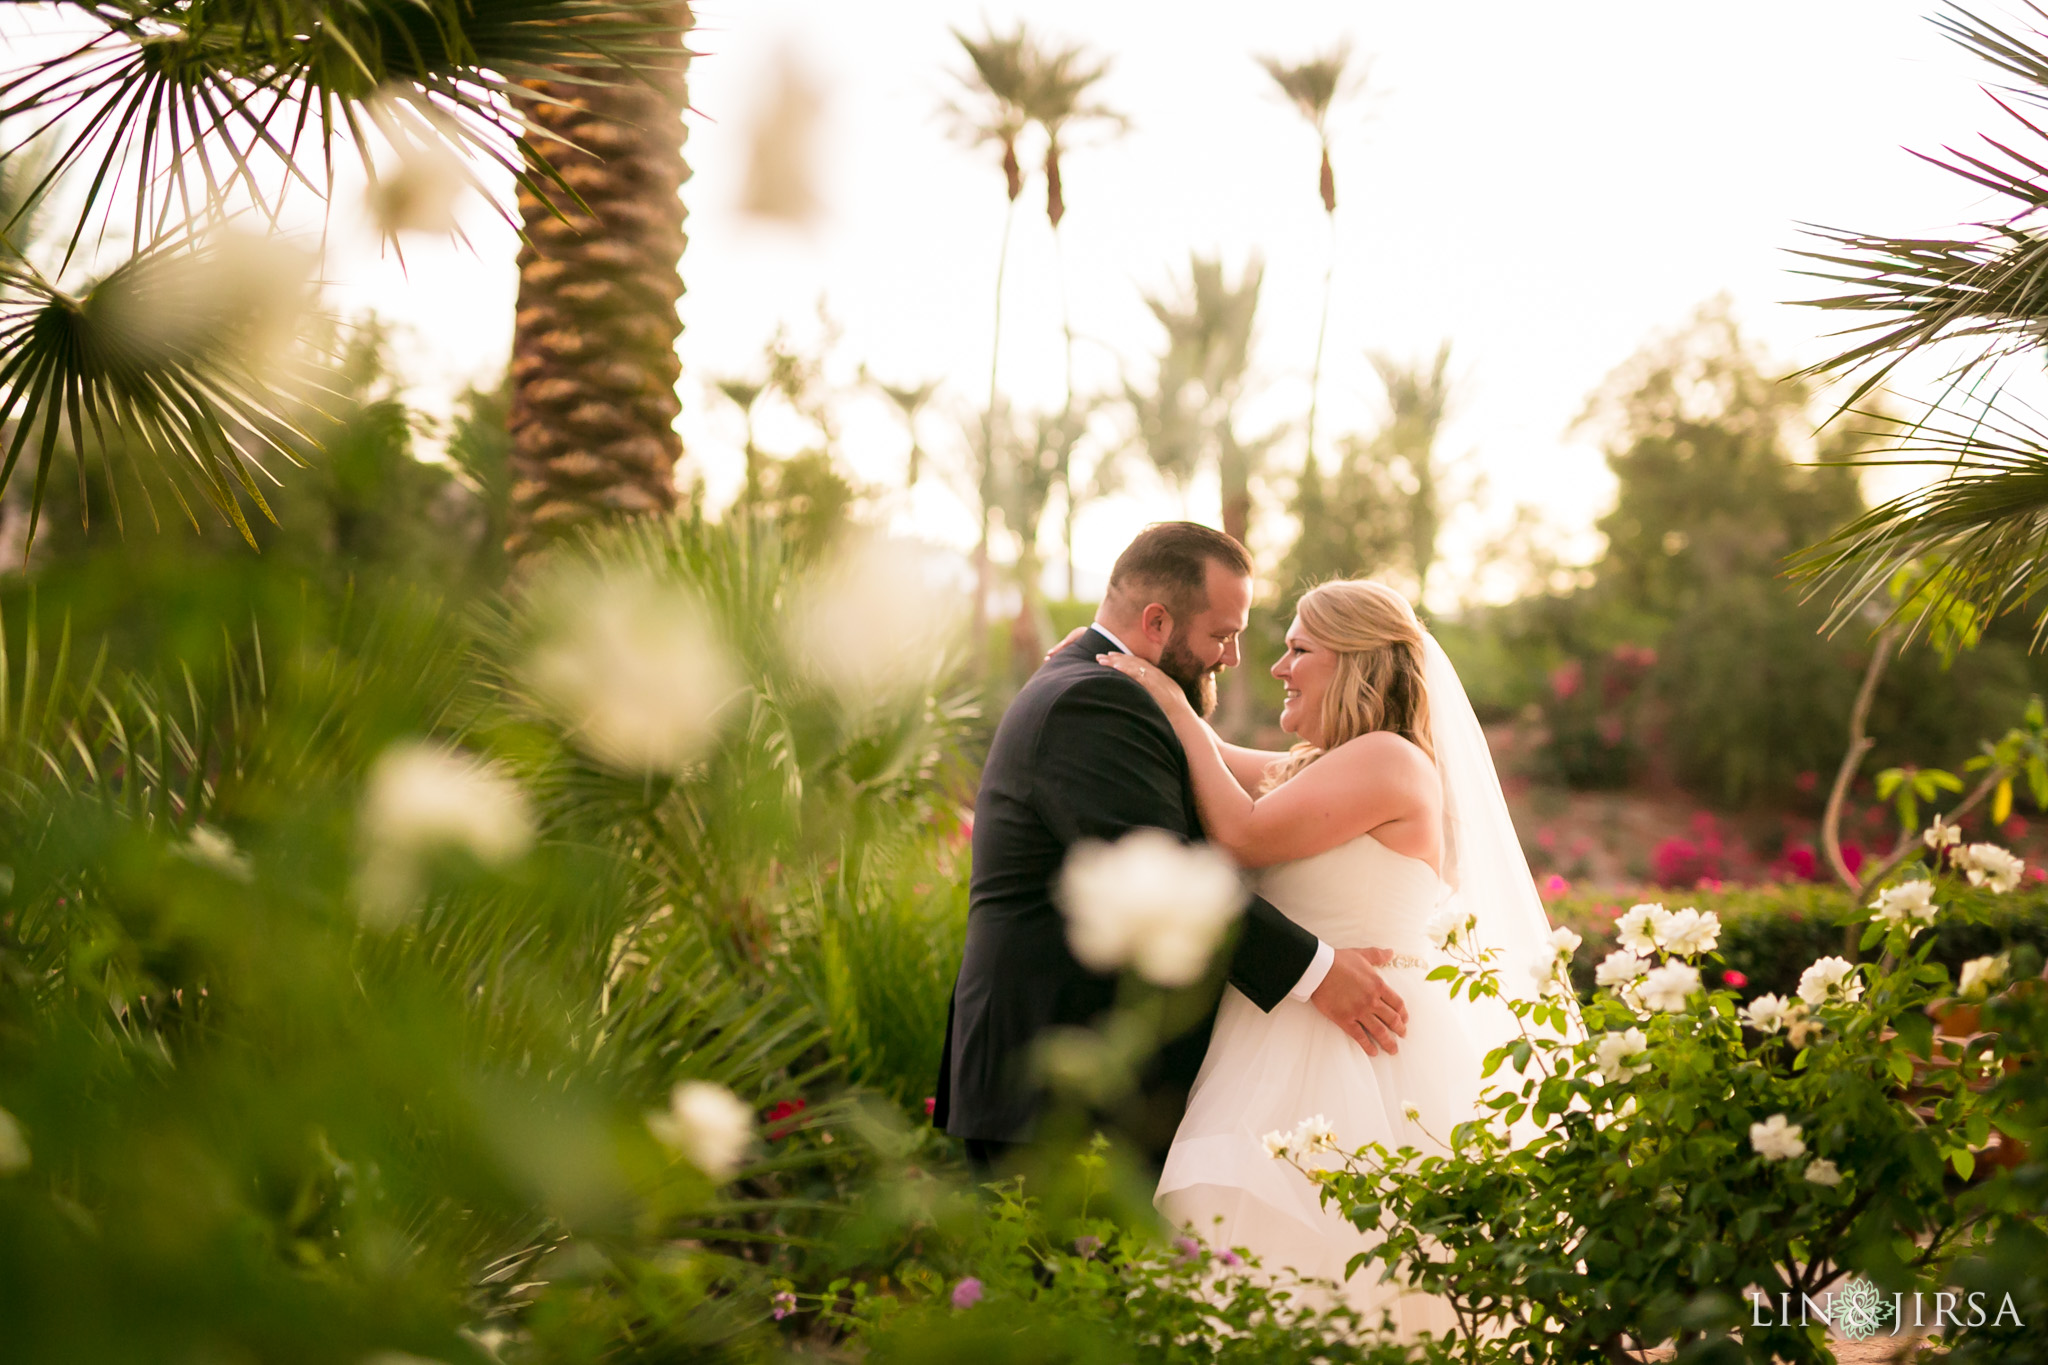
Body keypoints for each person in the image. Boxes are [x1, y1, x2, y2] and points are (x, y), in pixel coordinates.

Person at [1096, 577, 1562, 1339]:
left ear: (1352, 661)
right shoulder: (1323, 764)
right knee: (1254, 1273)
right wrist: (1116, 663)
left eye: (1297, 648)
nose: (1278, 667)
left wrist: (1172, 700)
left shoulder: (1388, 758)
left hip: (1342, 1054)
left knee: (1322, 1268)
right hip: (1282, 1031)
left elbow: (1241, 831)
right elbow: (1213, 757)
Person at [931, 523, 1412, 1172]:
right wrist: (1320, 973)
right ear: (1156, 622)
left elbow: (1303, 782)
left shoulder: (1102, 690)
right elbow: (1170, 885)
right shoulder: (1095, 700)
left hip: (1077, 1087)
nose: (1233, 659)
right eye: (1222, 635)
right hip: (1057, 1092)